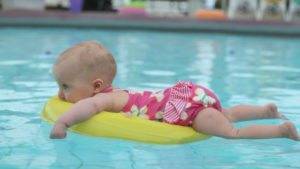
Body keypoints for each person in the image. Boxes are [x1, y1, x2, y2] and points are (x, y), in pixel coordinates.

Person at [50, 41, 300, 141]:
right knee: (229, 113)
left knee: (233, 133)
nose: (61, 95)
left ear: (96, 86)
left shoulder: (103, 99)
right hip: (189, 94)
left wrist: (63, 122)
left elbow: (87, 106)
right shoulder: (117, 93)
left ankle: (279, 130)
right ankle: (266, 111)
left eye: (65, 87)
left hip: (186, 111)